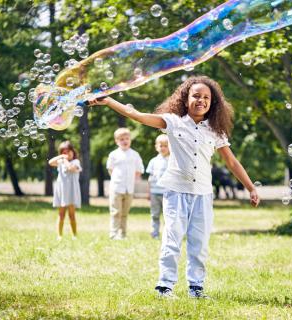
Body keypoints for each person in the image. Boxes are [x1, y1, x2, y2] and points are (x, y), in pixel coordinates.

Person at [89, 76, 260, 299]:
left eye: (206, 97)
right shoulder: (173, 121)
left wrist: (250, 187)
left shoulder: (215, 131)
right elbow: (137, 115)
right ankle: (165, 286)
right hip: (176, 191)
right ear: (185, 98)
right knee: (172, 239)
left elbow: (232, 162)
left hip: (203, 194)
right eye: (196, 96)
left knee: (199, 244)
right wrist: (109, 101)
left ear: (213, 103)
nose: (201, 100)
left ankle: (196, 288)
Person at [106, 128, 144, 240]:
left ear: (130, 140)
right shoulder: (113, 154)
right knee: (115, 212)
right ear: (117, 141)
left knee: (124, 213)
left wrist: (134, 179)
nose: (124, 141)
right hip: (116, 188)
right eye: (121, 139)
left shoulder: (135, 154)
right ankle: (113, 234)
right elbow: (110, 169)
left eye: (127, 138)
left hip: (129, 189)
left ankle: (123, 234)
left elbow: (139, 170)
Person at [48, 141, 82, 240]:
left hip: (71, 191)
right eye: (64, 152)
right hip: (62, 191)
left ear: (73, 151)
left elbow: (70, 168)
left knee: (72, 215)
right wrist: (61, 157)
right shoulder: (61, 161)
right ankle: (59, 235)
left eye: (69, 151)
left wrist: (64, 160)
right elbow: (50, 162)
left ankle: (74, 235)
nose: (67, 154)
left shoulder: (76, 162)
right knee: (61, 214)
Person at [146, 134, 170, 239]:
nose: (163, 148)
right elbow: (150, 178)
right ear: (156, 147)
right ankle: (154, 233)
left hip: (168, 193)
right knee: (154, 214)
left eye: (166, 145)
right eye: (161, 146)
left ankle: (167, 235)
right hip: (155, 193)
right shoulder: (153, 161)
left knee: (168, 216)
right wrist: (148, 192)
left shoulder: (173, 161)